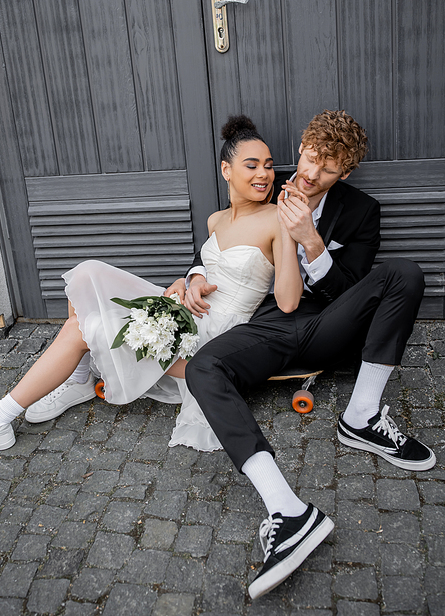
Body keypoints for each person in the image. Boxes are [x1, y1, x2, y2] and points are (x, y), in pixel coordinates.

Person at [175, 109, 434, 600]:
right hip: (269, 324)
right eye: (312, 157)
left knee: (405, 273)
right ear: (301, 147)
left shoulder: (361, 211)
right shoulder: (264, 184)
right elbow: (220, 243)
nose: (313, 173)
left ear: (346, 173)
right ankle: (288, 510)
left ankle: (361, 417)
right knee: (205, 366)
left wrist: (313, 243)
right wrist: (191, 275)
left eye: (329, 167)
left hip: (327, 325)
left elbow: (357, 296)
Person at [0, 115, 305, 458]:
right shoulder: (216, 219)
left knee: (85, 327)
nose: (264, 174)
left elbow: (288, 302)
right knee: (85, 276)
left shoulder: (275, 218)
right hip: (181, 313)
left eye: (269, 165)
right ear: (227, 170)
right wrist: (188, 280)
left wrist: (291, 231)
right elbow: (211, 269)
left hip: (215, 337)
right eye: (252, 165)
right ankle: (80, 379)